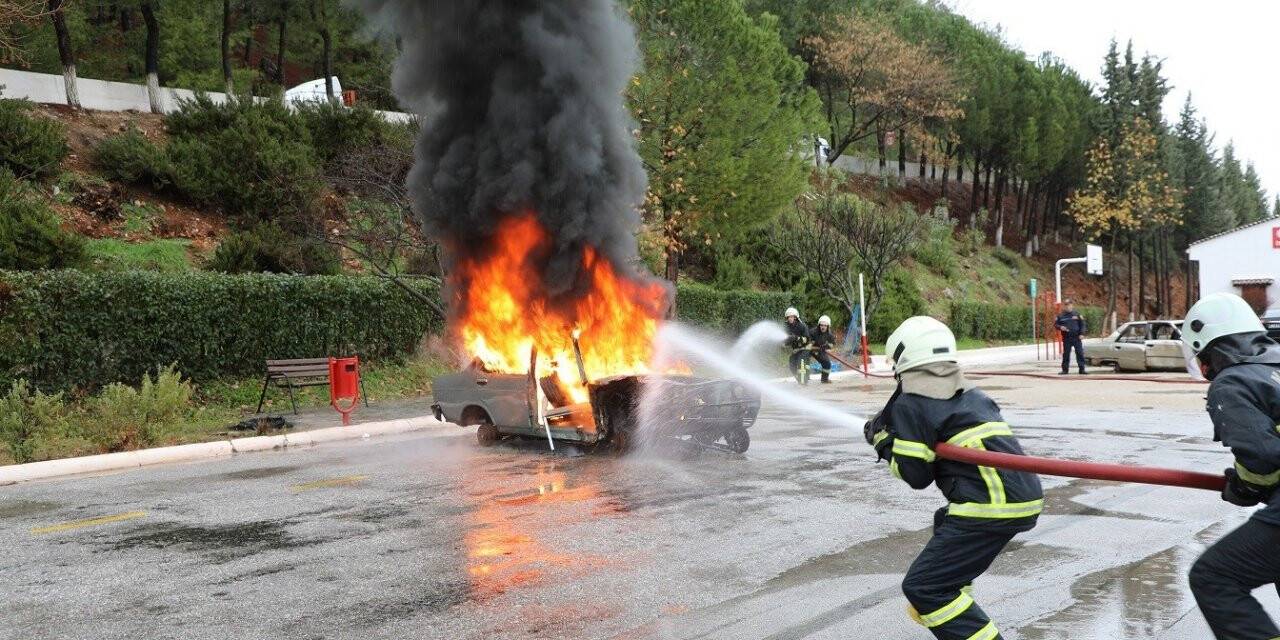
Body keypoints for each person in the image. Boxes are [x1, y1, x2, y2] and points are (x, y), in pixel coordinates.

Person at [864, 316, 1042, 640]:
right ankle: (954, 600)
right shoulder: (971, 393)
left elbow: (916, 475)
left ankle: (949, 606)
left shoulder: (912, 401)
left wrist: (882, 442)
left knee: (924, 587)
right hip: (1023, 495)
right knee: (944, 520)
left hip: (990, 503)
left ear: (904, 357)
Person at [1180, 292, 1280, 639]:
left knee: (1214, 576)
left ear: (1210, 350)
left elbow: (1262, 459)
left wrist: (1243, 486)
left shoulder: (1233, 382)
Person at [1055, 300, 1087, 375]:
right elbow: (1056, 325)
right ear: (1064, 306)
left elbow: (1082, 324)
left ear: (1072, 305)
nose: (1068, 307)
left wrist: (1082, 333)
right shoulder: (1060, 315)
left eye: (1069, 305)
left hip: (1077, 338)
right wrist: (1060, 327)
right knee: (1066, 354)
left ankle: (1082, 369)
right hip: (1067, 338)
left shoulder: (1077, 314)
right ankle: (1065, 370)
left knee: (1080, 353)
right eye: (1066, 305)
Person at [783, 307, 811, 384]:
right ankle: (800, 379)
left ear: (795, 317)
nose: (790, 318)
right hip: (796, 349)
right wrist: (785, 342)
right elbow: (787, 341)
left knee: (801, 362)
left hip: (805, 348)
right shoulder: (787, 327)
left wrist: (796, 338)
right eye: (788, 317)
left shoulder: (802, 326)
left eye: (792, 317)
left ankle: (803, 382)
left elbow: (806, 339)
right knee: (792, 364)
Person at [810, 315, 836, 384]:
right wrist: (814, 346)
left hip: (819, 350)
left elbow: (832, 344)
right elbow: (807, 345)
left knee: (827, 363)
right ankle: (804, 378)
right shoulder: (813, 332)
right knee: (803, 362)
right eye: (821, 325)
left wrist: (827, 346)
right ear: (819, 325)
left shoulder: (829, 334)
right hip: (808, 350)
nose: (823, 327)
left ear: (828, 326)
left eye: (825, 325)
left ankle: (824, 379)